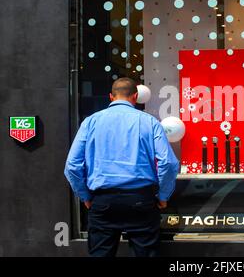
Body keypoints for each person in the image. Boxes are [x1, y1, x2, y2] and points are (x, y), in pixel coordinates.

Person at [64, 77, 179, 257]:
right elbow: (169, 163)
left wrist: (85, 195)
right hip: (141, 199)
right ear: (135, 96)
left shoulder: (91, 122)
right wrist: (163, 195)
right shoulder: (150, 122)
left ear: (111, 97)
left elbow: (72, 166)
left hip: (102, 201)